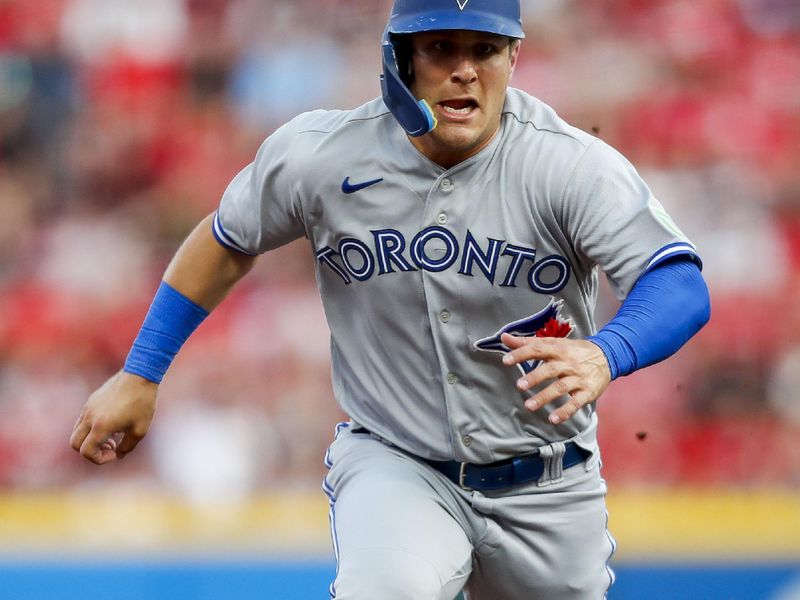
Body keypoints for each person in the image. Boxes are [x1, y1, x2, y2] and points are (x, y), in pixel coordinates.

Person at [70, 0, 711, 598]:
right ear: (398, 59)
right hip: (398, 464)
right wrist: (141, 370)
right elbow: (228, 240)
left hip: (547, 482)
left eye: (485, 50)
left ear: (513, 58)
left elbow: (677, 281)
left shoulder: (567, 166)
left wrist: (607, 354)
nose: (464, 70)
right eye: (441, 47)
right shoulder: (322, 155)